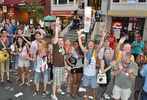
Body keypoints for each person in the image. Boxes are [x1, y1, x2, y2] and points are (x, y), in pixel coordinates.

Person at [78, 29, 106, 100]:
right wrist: (79, 35)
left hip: (93, 74)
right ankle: (87, 97)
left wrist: (102, 37)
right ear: (87, 45)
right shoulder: (85, 52)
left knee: (93, 88)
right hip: (86, 74)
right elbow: (80, 44)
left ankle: (93, 98)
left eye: (92, 44)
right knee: (87, 87)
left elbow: (100, 46)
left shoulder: (95, 52)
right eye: (89, 44)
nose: (90, 44)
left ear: (93, 46)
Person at [51, 17, 65, 100]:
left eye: (61, 41)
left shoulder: (62, 48)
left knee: (61, 80)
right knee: (55, 82)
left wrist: (65, 66)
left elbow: (63, 57)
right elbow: (56, 37)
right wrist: (56, 26)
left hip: (62, 66)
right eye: (59, 41)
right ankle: (53, 95)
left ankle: (59, 89)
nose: (60, 42)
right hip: (56, 67)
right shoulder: (55, 46)